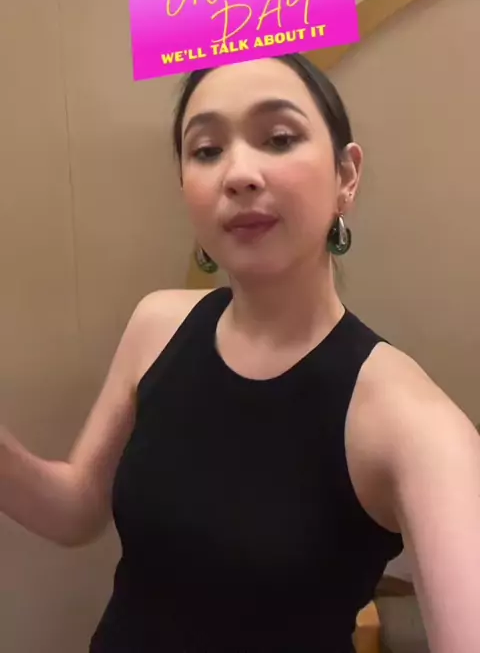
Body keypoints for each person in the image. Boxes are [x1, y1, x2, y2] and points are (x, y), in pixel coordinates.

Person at [1, 53, 479, 653]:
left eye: (278, 138)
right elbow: (76, 512)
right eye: (206, 150)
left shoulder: (413, 423)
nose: (239, 174)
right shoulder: (158, 325)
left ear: (346, 176)